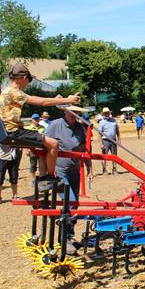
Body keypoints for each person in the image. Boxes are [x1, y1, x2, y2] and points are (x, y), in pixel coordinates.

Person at [0, 62, 81, 190]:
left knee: (43, 146)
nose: (28, 83)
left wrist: (55, 99)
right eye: (29, 80)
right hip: (12, 132)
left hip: (10, 131)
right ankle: (51, 178)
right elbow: (42, 102)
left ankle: (43, 177)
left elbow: (44, 100)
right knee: (54, 144)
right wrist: (68, 100)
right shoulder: (13, 92)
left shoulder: (7, 91)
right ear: (24, 78)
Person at [45, 107, 92, 253]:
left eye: (76, 113)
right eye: (71, 112)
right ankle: (64, 237)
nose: (74, 115)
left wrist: (89, 168)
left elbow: (84, 149)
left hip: (74, 171)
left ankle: (69, 236)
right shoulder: (55, 125)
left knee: (74, 205)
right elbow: (44, 146)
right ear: (65, 112)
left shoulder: (79, 128)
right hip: (60, 171)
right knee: (70, 202)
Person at [24, 113, 46, 186]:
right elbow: (25, 140)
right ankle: (33, 179)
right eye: (35, 119)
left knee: (42, 165)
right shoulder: (28, 128)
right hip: (32, 149)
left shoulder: (42, 128)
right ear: (32, 120)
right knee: (33, 164)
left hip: (41, 149)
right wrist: (26, 149)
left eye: (37, 119)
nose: (36, 120)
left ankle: (41, 178)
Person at [98, 107, 121, 175]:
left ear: (109, 113)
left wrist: (119, 139)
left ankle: (114, 169)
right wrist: (101, 143)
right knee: (104, 156)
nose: (106, 114)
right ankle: (104, 170)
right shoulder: (101, 122)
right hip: (105, 140)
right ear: (103, 114)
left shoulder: (114, 120)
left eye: (107, 113)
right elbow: (99, 134)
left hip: (113, 140)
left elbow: (117, 131)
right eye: (105, 113)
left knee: (114, 156)